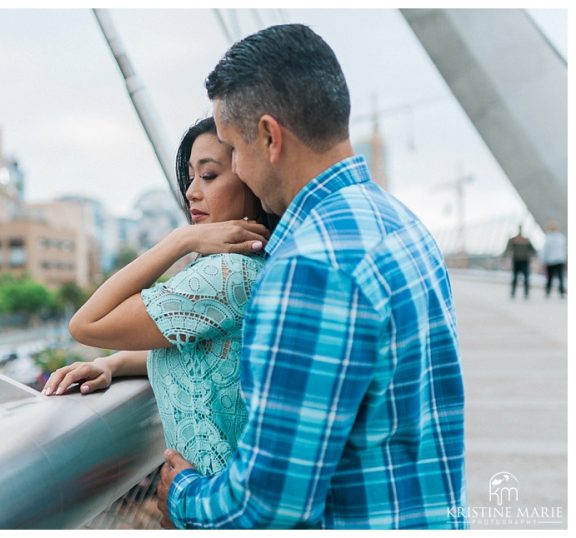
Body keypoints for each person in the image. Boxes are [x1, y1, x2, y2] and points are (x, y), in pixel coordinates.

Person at [157, 24, 468, 529]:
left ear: (269, 137)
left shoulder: (308, 270)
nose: (236, 167)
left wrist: (183, 492)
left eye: (234, 149)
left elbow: (265, 509)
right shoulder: (400, 224)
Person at [44, 117, 278, 478]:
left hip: (214, 505)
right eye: (191, 177)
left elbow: (86, 323)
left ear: (251, 175)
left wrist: (178, 240)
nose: (191, 192)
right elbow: (202, 351)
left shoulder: (225, 275)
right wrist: (115, 364)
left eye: (210, 175)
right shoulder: (251, 264)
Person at [504, 225, 536, 299]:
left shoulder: (514, 239)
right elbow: (533, 251)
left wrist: (504, 256)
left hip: (518, 260)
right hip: (522, 260)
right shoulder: (525, 240)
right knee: (523, 278)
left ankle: (515, 293)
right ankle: (524, 293)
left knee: (517, 278)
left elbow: (508, 249)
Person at [541, 221, 566, 298]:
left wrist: (543, 260)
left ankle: (548, 292)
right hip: (560, 260)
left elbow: (545, 251)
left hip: (550, 261)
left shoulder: (548, 238)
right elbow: (563, 249)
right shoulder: (561, 237)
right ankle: (562, 292)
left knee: (550, 278)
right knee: (560, 277)